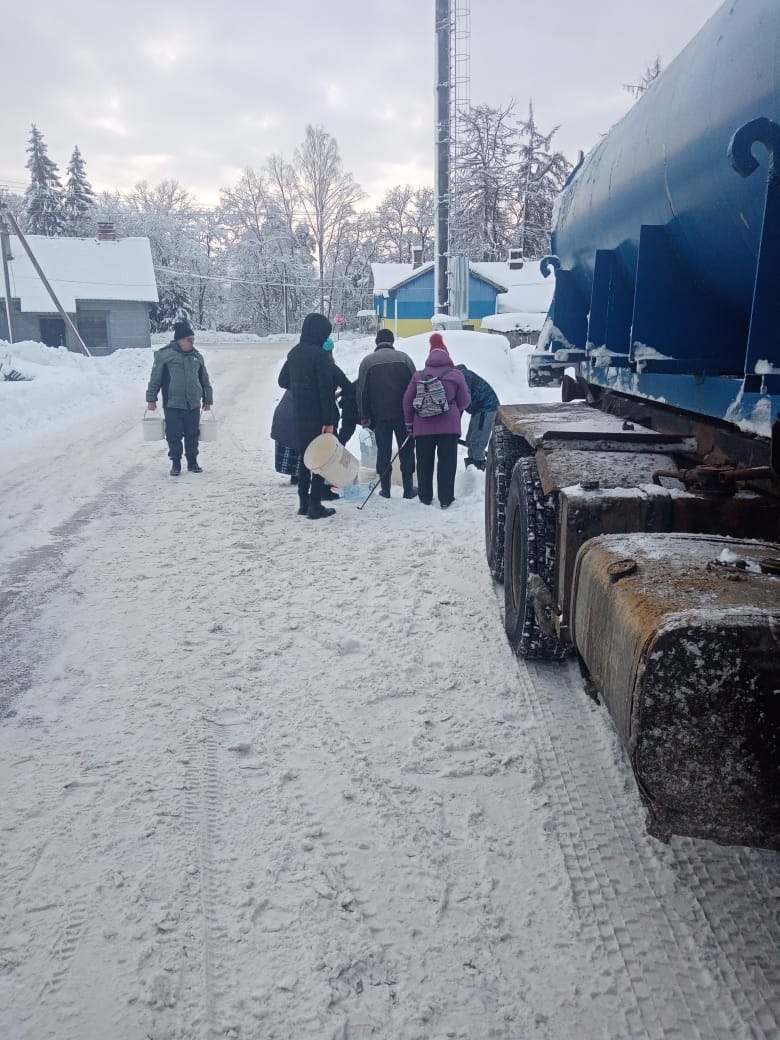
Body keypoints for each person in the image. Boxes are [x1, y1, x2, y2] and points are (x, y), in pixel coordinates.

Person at [278, 312, 337, 520]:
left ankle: (303, 502)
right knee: (320, 459)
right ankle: (315, 504)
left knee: (305, 458)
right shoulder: (320, 355)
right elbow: (325, 389)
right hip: (318, 415)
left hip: (298, 413)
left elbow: (282, 380)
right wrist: (328, 422)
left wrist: (299, 388)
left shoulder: (294, 353)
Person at [402, 333, 470, 509]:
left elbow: (407, 400)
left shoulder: (419, 376)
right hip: (449, 428)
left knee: (424, 463)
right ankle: (446, 498)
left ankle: (425, 497)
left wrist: (409, 424)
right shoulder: (455, 375)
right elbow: (464, 402)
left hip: (423, 427)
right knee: (447, 463)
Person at [145, 321, 213, 476]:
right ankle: (176, 463)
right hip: (173, 403)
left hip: (193, 404)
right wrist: (151, 398)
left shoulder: (196, 357)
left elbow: (204, 379)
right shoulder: (165, 355)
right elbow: (155, 378)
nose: (192, 343)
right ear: (179, 340)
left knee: (192, 434)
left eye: (193, 340)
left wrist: (207, 399)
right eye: (189, 340)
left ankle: (192, 462)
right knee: (173, 435)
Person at [356, 328, 417, 499]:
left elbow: (361, 392)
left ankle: (386, 489)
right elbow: (416, 386)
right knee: (406, 451)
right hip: (404, 416)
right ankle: (408, 489)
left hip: (379, 416)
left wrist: (364, 414)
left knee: (383, 452)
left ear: (377, 342)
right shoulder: (405, 359)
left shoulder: (367, 362)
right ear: (392, 342)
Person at [454, 364, 500, 470]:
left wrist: (455, 429)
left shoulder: (464, 377)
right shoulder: (465, 376)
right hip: (479, 410)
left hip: (487, 408)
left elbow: (462, 400)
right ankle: (472, 466)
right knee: (470, 439)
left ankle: (478, 467)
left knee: (478, 440)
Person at [270, 390, 299, 485]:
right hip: (293, 416)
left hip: (284, 413)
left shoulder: (295, 379)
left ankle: (296, 476)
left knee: (294, 444)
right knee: (299, 444)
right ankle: (298, 476)